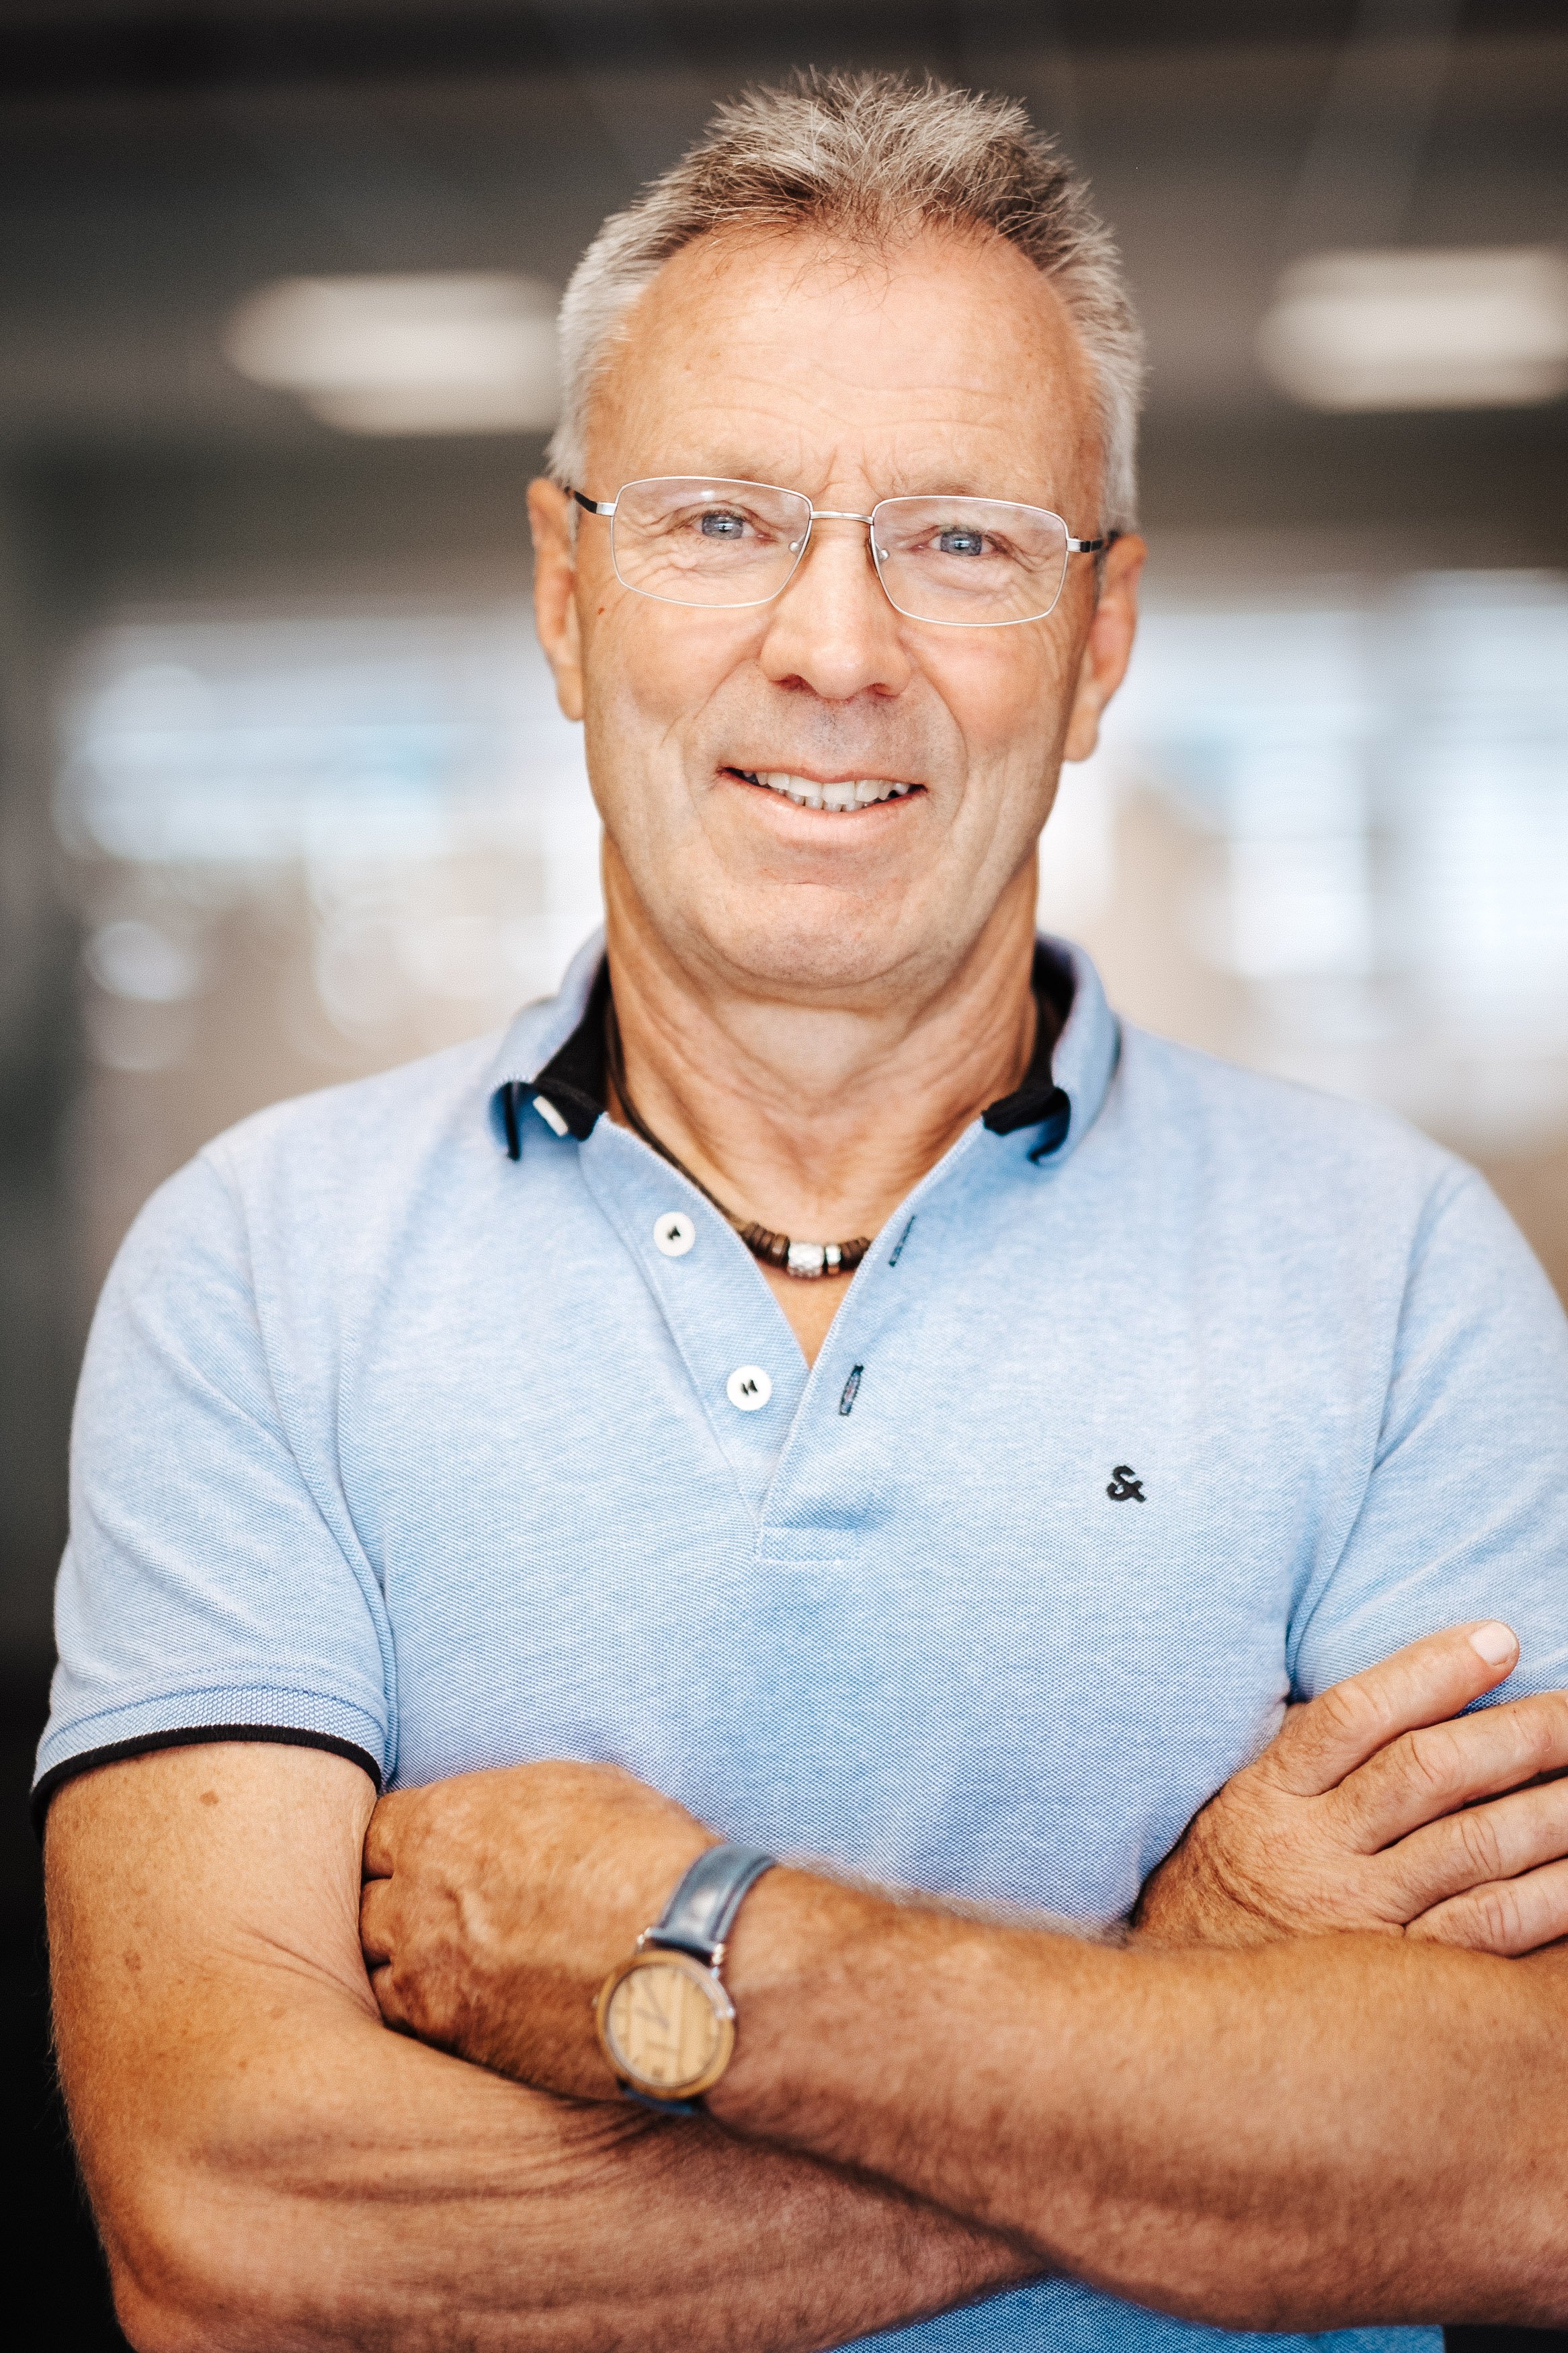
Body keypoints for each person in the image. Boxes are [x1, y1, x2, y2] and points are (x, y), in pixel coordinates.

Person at [39, 71, 1568, 2353]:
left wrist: (699, 1946)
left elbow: (1520, 2160)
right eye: (724, 519)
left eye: (963, 538)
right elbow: (228, 2233)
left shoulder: (1403, 1270)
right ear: (567, 595)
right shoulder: (254, 1269)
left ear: (1102, 638)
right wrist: (1187, 2007)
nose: (836, 649)